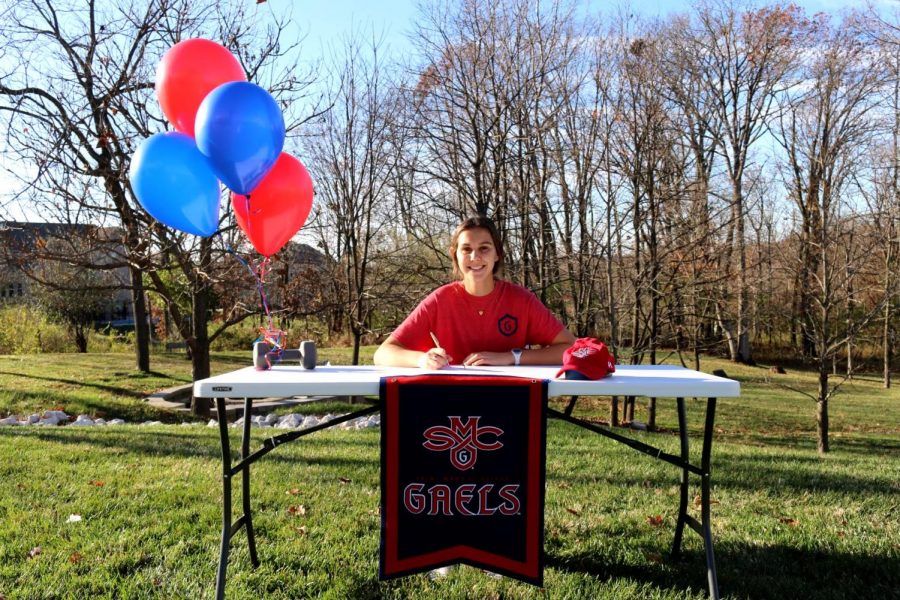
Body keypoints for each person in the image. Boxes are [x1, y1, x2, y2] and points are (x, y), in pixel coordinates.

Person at [373, 215, 576, 369]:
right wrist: (422, 359)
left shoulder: (521, 300)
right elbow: (383, 354)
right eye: (466, 249)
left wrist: (511, 357)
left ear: (498, 254)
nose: (475, 256)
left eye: (484, 248)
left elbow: (571, 348)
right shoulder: (439, 300)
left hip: (509, 404)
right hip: (447, 405)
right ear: (455, 255)